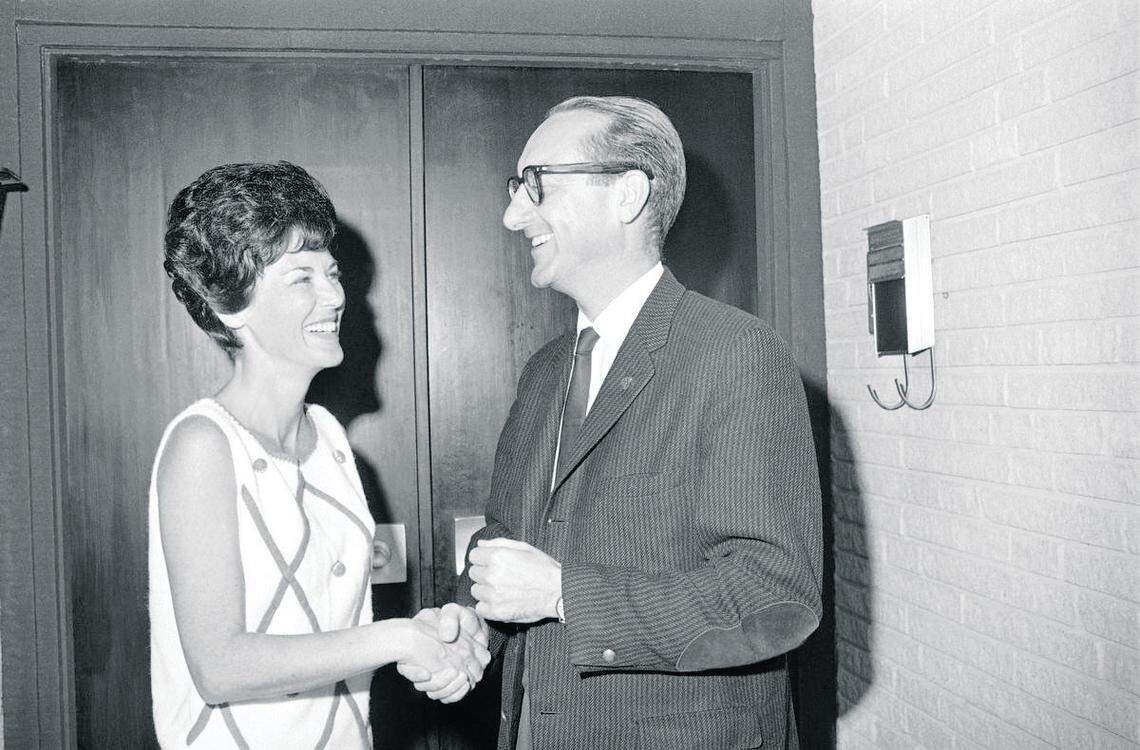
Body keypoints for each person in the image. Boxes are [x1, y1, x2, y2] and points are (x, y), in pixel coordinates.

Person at [453, 96, 823, 749]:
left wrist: (565, 594)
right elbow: (509, 537)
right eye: (516, 190)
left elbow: (774, 594)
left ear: (627, 194)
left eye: (535, 184)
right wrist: (465, 625)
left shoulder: (737, 353)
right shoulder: (545, 372)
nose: (513, 215)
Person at [149, 161, 489, 749]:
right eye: (301, 278)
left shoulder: (329, 437)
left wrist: (433, 635)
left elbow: (335, 630)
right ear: (232, 308)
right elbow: (219, 665)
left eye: (331, 273)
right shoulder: (203, 444)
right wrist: (400, 639)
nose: (335, 295)